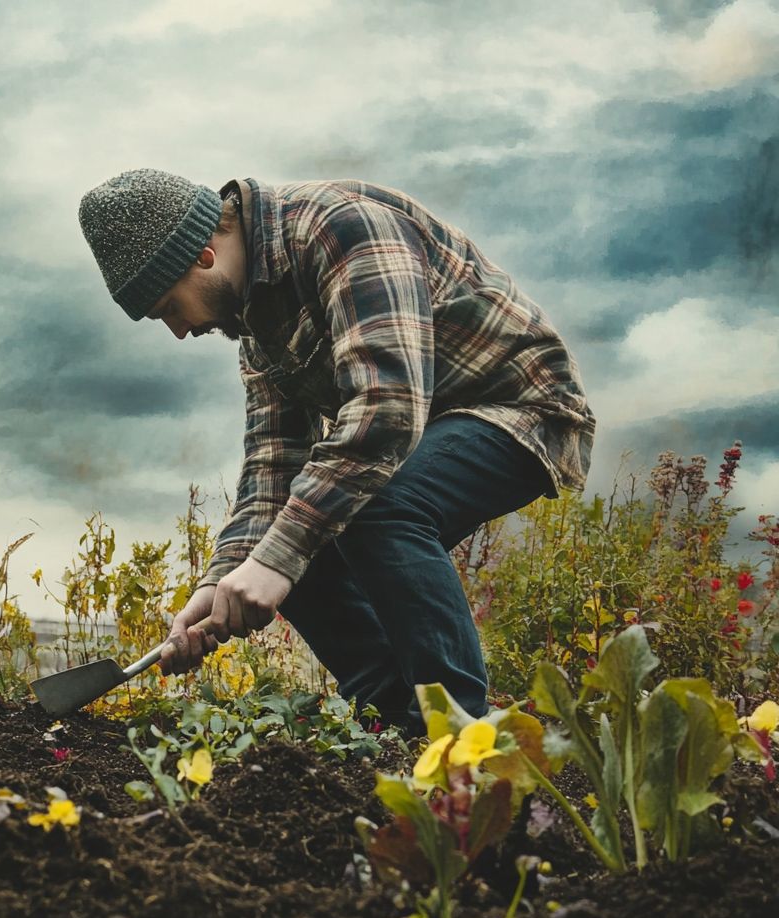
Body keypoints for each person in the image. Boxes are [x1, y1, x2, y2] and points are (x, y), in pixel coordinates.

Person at [77, 168, 595, 735]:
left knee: (370, 509)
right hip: (418, 434)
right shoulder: (257, 321)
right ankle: (394, 727)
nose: (178, 331)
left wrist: (275, 560)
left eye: (168, 308)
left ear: (201, 255)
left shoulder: (343, 227)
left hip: (519, 409)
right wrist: (221, 580)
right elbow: (272, 466)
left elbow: (387, 411)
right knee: (297, 542)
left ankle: (465, 738)